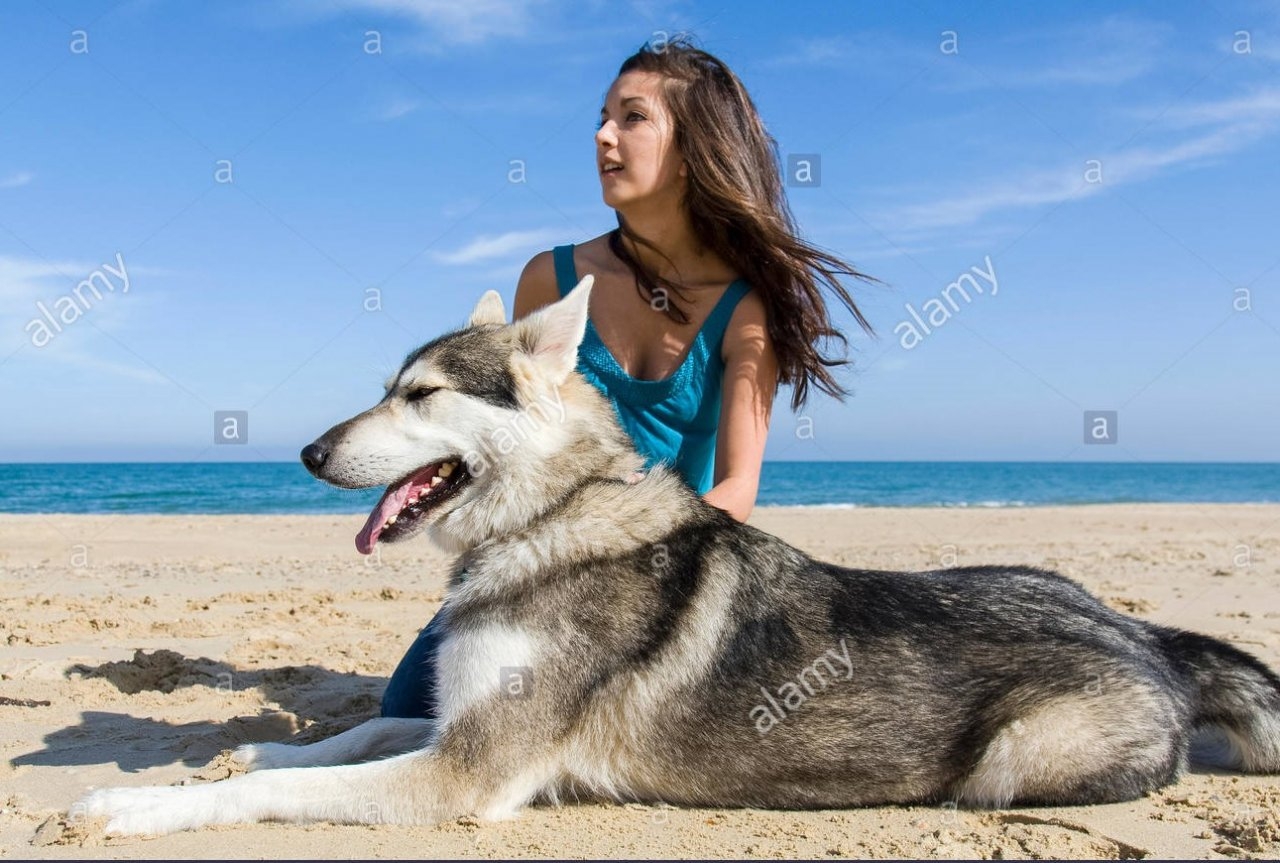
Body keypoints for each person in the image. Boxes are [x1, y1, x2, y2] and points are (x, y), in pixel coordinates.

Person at [379, 36, 875, 719]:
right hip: (544, 562)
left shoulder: (742, 308)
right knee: (406, 711)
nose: (602, 135)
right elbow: (509, 440)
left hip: (665, 571)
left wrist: (632, 524)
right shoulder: (549, 278)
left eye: (632, 118)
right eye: (602, 117)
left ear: (691, 150)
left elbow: (736, 488)